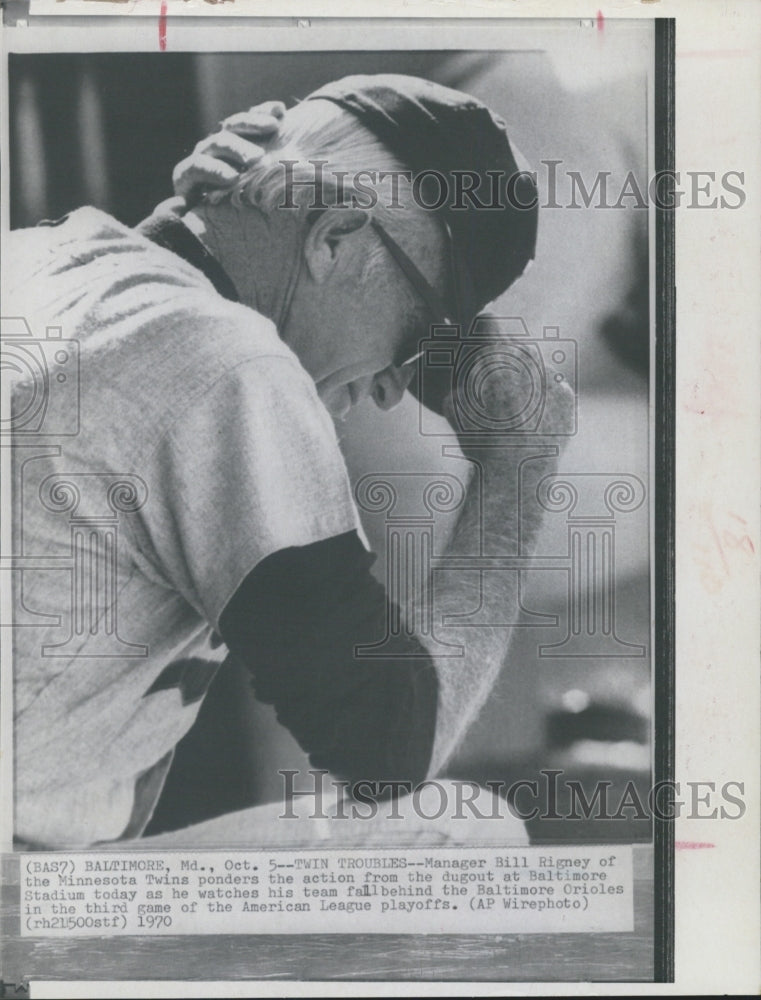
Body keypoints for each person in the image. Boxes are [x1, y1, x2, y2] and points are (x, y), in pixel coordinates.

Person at [7, 74, 572, 848]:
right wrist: (518, 465)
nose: (390, 390)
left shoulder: (46, 253)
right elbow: (392, 748)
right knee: (461, 837)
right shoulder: (228, 362)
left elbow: (127, 378)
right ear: (334, 237)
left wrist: (202, 220)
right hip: (20, 904)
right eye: (418, 335)